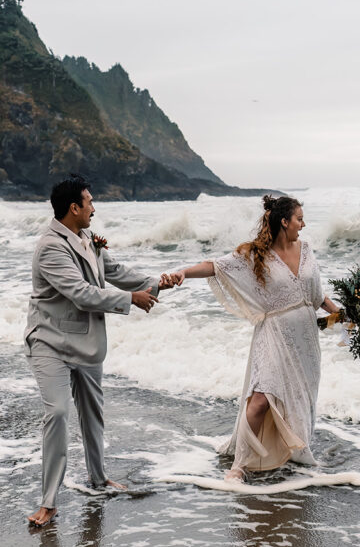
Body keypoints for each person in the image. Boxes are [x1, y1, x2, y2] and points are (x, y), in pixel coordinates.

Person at [24, 174, 178, 527]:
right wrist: (130, 300)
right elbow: (80, 293)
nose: (94, 207)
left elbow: (115, 272)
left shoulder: (88, 237)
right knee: (59, 413)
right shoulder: (50, 246)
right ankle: (49, 502)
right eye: (89, 202)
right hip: (50, 342)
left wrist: (156, 283)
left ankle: (98, 479)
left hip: (87, 343)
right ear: (73, 208)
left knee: (93, 414)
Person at [169, 195, 340, 481]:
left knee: (298, 399)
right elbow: (216, 266)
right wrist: (182, 272)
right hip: (273, 334)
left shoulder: (307, 250)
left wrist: (345, 314)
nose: (303, 223)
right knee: (260, 398)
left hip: (306, 339)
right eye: (299, 218)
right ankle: (240, 464)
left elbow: (317, 295)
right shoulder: (256, 254)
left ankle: (290, 452)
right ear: (284, 222)